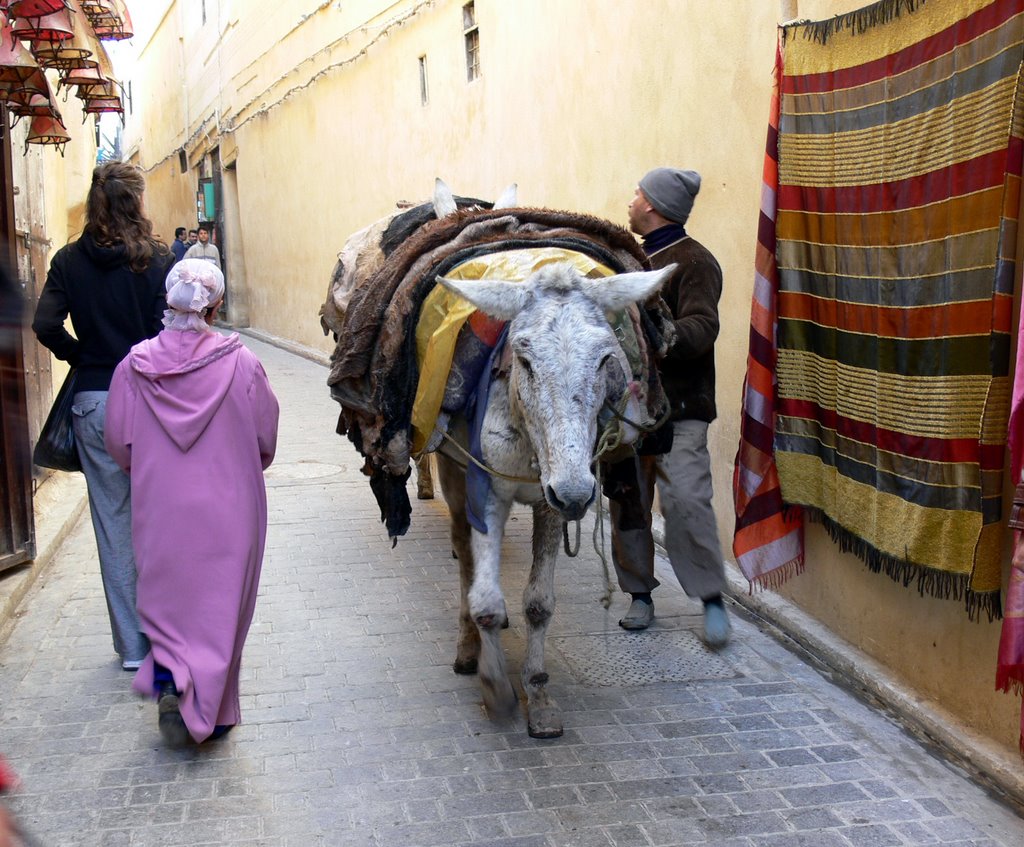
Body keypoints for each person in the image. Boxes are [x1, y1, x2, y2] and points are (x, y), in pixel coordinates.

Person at [105, 259, 279, 745]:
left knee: (165, 602)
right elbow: (266, 439)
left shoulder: (133, 367)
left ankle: (170, 688)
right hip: (231, 508)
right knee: (222, 606)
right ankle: (217, 711)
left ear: (168, 301)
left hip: (160, 506)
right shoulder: (243, 364)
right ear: (216, 306)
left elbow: (119, 444)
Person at [32, 161, 172, 671]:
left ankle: (134, 650)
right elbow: (171, 332)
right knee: (159, 519)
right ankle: (169, 636)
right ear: (136, 201)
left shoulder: (69, 260)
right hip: (153, 402)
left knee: (113, 522)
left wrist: (80, 354)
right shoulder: (159, 259)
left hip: (94, 399)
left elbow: (44, 322)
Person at [607, 167, 731, 647]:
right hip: (626, 414)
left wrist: (663, 334)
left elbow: (703, 326)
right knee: (629, 501)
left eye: (638, 193)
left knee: (686, 502)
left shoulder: (695, 262)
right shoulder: (623, 260)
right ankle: (639, 593)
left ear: (654, 206)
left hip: (680, 410)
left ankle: (711, 598)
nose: (632, 200)